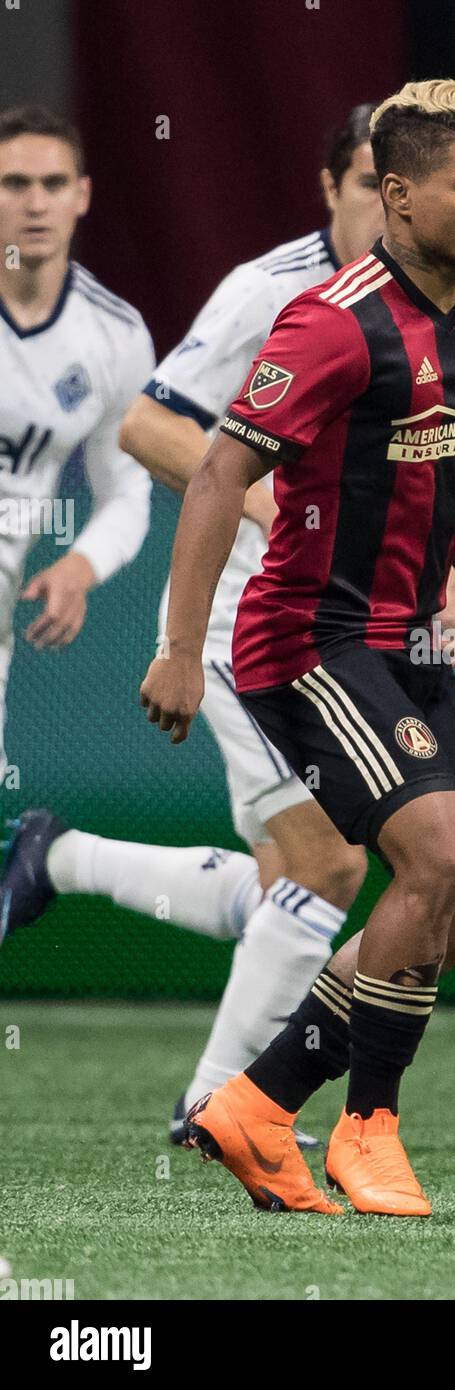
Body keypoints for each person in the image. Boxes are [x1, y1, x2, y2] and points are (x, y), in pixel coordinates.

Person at [141, 78, 455, 1218]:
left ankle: (256, 1102)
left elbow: (440, 455)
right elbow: (215, 472)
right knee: (436, 860)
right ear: (398, 198)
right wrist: (173, 646)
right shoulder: (330, 320)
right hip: (307, 638)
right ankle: (365, 1126)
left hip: (406, 640)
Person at [0, 104, 152, 893]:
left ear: (83, 195)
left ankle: (44, 859)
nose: (34, 202)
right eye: (14, 183)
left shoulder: (114, 336)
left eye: (52, 183)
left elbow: (128, 490)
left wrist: (80, 567)